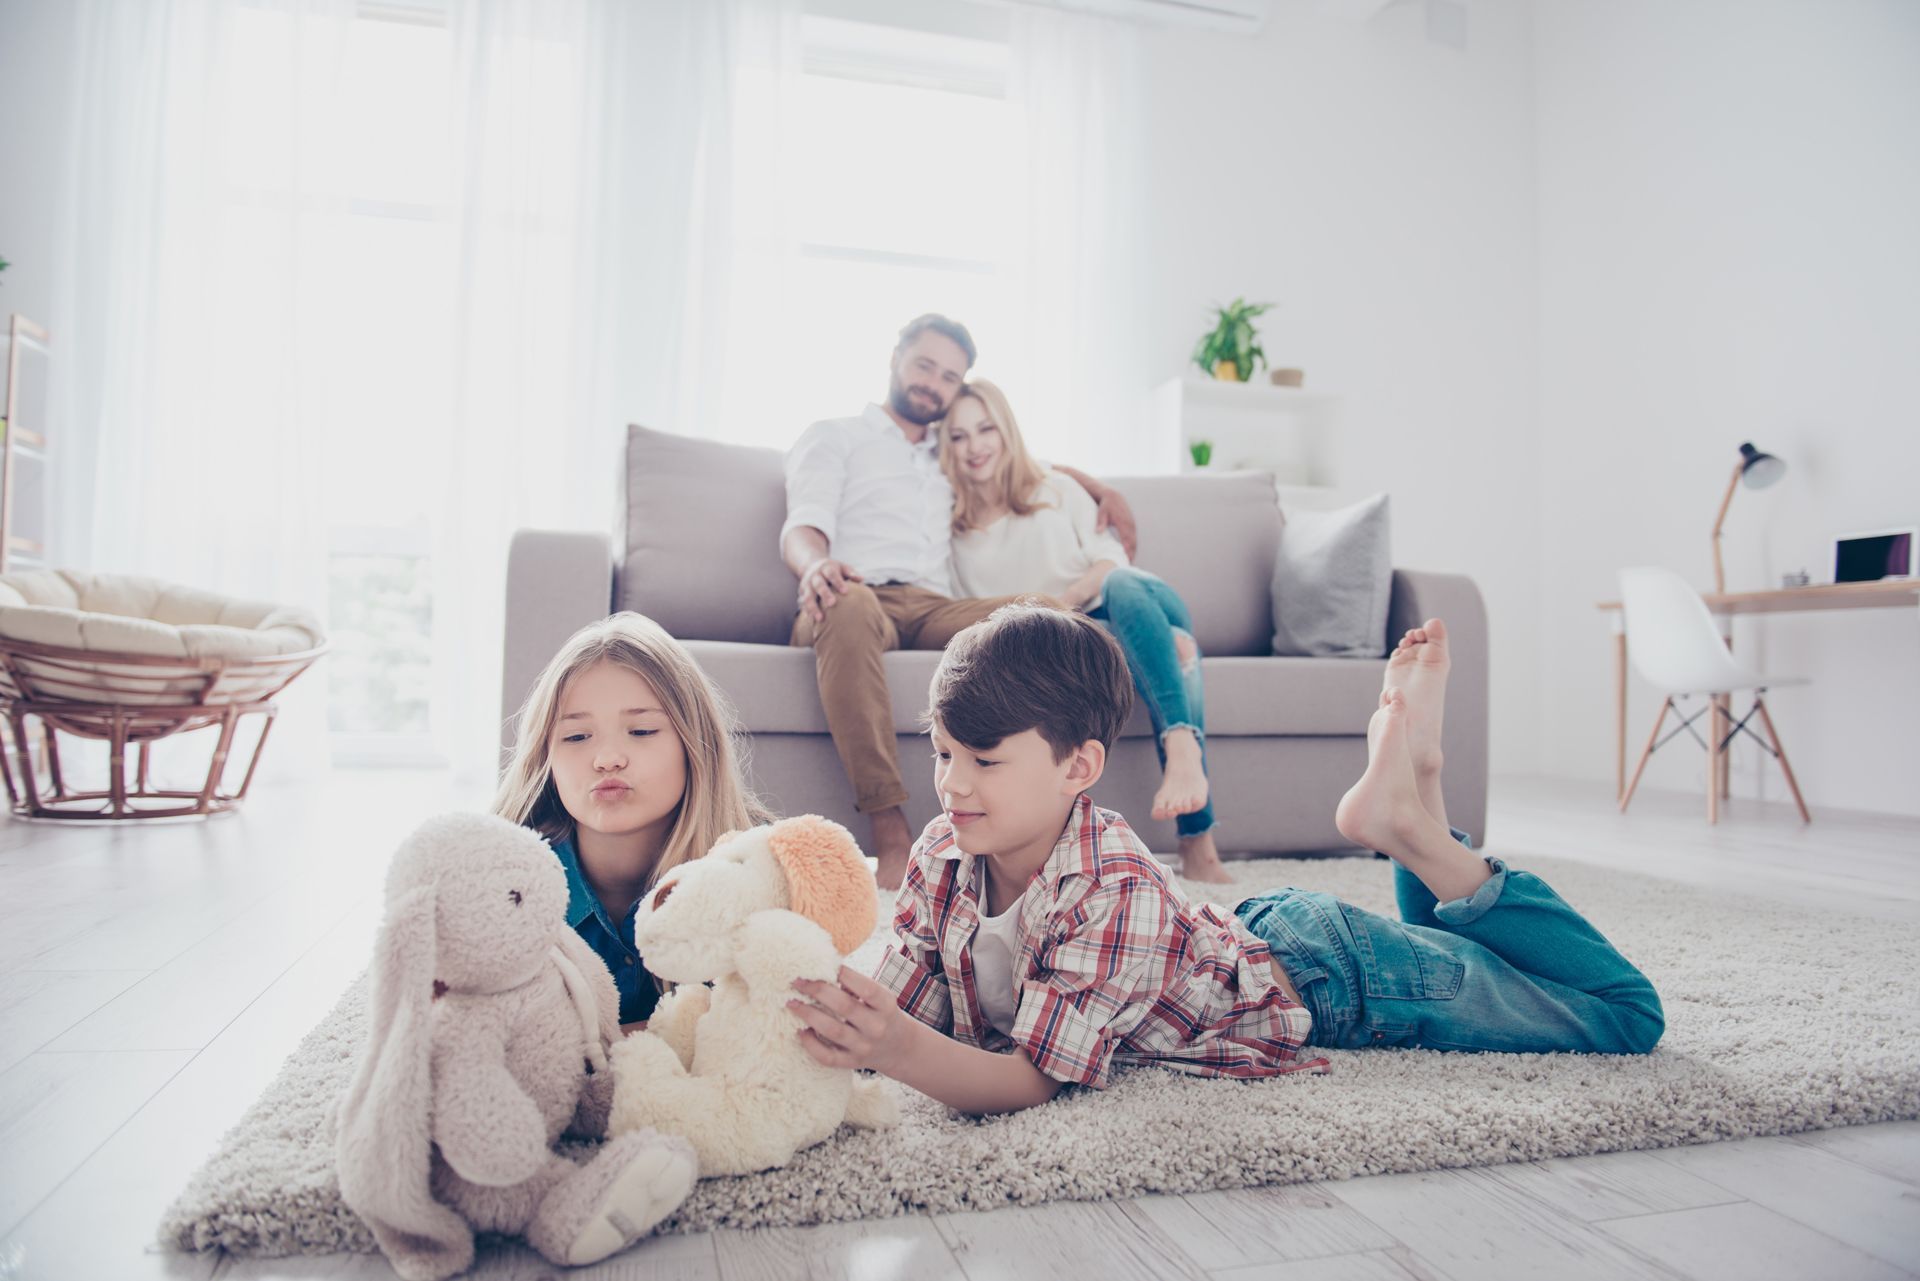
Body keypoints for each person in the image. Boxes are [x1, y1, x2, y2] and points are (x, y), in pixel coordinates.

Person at [785, 606, 1665, 1116]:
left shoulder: (1113, 883)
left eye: (983, 760)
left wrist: (897, 1050)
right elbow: (907, 1004)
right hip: (1253, 936)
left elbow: (1027, 1077)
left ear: (1078, 767)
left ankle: (1420, 830)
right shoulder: (945, 852)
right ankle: (1414, 797)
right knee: (1471, 957)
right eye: (941, 753)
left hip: (1333, 977)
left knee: (1623, 1015)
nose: (951, 785)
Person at [781, 314, 1136, 889]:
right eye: (925, 365)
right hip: (848, 594)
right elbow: (803, 525)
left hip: (929, 605)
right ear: (897, 357)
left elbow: (1017, 462)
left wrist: (1099, 486)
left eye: (950, 376)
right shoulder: (836, 435)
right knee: (849, 606)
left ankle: (1058, 826)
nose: (933, 383)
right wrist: (815, 564)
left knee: (1040, 610)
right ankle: (890, 830)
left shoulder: (948, 452)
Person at [939, 377, 1231, 883]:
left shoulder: (1057, 488)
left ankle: (1183, 749)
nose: (974, 446)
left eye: (985, 428)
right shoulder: (952, 531)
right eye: (958, 436)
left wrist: (1061, 605)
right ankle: (1197, 842)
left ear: (1006, 429)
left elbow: (1110, 564)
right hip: (1081, 646)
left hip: (1130, 603)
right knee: (1172, 656)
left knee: (1123, 587)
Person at [494, 612, 766, 1029]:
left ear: (696, 746)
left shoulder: (755, 872)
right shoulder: (509, 885)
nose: (606, 759)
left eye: (640, 731)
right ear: (546, 759)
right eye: (576, 737)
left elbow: (774, 1023)